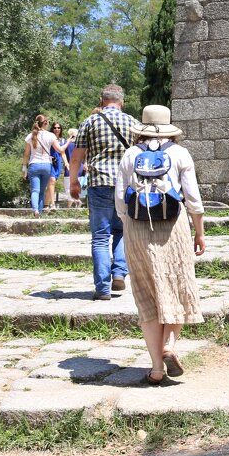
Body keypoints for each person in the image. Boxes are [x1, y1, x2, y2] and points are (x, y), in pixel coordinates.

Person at [114, 104, 206, 385]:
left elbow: (120, 200)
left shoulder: (130, 154)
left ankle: (155, 368)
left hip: (137, 227)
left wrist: (130, 222)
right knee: (178, 285)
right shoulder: (179, 153)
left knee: (146, 294)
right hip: (173, 227)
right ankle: (169, 344)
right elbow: (193, 198)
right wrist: (199, 232)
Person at [70, 84, 140, 300]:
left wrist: (74, 183)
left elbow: (77, 157)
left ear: (101, 100)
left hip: (99, 182)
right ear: (122, 102)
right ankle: (119, 272)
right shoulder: (134, 123)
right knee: (123, 231)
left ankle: (102, 289)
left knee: (100, 237)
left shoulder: (90, 121)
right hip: (127, 186)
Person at [22, 114, 67, 217]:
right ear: (45, 123)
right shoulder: (51, 135)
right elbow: (60, 150)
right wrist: (68, 141)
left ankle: (35, 210)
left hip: (34, 165)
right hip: (47, 165)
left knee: (35, 190)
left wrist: (24, 168)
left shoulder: (30, 136)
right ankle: (40, 214)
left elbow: (26, 154)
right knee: (42, 191)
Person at [45, 121, 68, 210]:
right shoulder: (50, 138)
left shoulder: (62, 140)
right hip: (50, 161)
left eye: (58, 128)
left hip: (57, 163)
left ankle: (45, 204)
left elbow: (62, 153)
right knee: (52, 181)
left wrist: (66, 163)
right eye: (55, 128)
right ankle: (53, 204)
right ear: (52, 129)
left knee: (51, 184)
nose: (57, 129)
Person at [64, 127, 82, 207]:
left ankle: (69, 207)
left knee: (68, 188)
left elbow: (61, 151)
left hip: (69, 168)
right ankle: (77, 202)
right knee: (78, 188)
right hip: (80, 168)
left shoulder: (67, 145)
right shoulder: (80, 145)